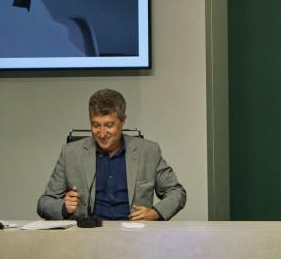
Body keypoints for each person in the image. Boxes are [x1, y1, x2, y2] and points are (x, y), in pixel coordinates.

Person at [37, 88, 186, 221]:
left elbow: (177, 192)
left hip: (134, 235)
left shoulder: (148, 151)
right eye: (96, 125)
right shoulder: (70, 154)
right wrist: (64, 207)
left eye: (109, 125)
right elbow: (44, 203)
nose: (102, 133)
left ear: (122, 121)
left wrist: (155, 213)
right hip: (86, 236)